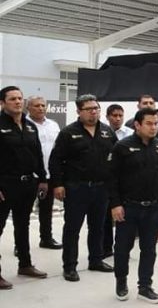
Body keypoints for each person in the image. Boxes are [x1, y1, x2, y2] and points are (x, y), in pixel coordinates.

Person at [109, 107, 158, 303]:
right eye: (149, 123)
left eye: (156, 124)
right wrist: (115, 204)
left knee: (149, 249)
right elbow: (112, 178)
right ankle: (121, 281)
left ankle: (145, 287)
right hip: (128, 207)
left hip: (152, 208)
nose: (153, 127)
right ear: (137, 125)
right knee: (123, 248)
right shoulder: (122, 147)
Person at [49, 94, 118, 282]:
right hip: (76, 188)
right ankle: (70, 266)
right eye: (89, 109)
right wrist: (58, 184)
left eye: (96, 108)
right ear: (79, 111)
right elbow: (55, 160)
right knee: (72, 229)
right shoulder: (68, 133)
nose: (93, 112)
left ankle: (96, 260)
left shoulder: (107, 132)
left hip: (101, 189)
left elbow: (116, 159)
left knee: (97, 227)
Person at [0, 86, 49, 289]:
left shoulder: (30, 126)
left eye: (20, 98)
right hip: (4, 186)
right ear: (2, 103)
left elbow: (37, 154)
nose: (18, 102)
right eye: (12, 99)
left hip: (27, 184)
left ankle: (25, 265)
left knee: (23, 226)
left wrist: (43, 179)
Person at [125, 95, 158, 242]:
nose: (148, 105)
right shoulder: (130, 124)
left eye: (151, 103)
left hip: (157, 171)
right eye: (145, 102)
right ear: (138, 105)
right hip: (135, 172)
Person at [26, 95, 62, 250]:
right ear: (28, 108)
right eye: (36, 105)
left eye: (43, 105)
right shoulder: (23, 124)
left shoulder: (53, 125)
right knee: (24, 212)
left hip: (49, 174)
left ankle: (46, 238)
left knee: (46, 209)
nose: (40, 108)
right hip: (29, 175)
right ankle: (20, 244)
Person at [103, 104, 132, 257]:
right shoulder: (102, 132)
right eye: (114, 115)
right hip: (106, 180)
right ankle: (106, 248)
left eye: (120, 115)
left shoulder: (130, 134)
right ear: (108, 117)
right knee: (106, 217)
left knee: (123, 217)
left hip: (125, 181)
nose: (118, 118)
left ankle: (123, 249)